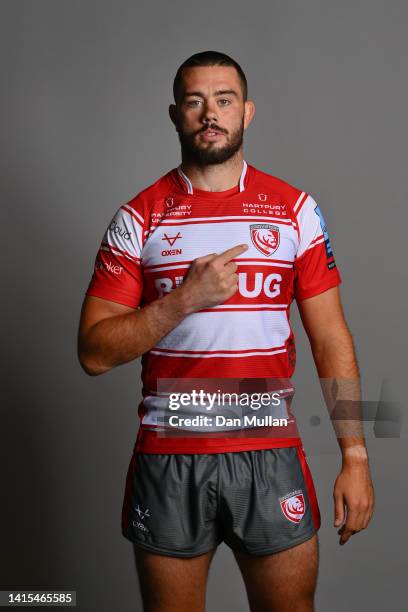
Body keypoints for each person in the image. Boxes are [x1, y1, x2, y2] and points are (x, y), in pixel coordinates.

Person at [77, 50, 375, 612]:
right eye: (194, 101)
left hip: (270, 451)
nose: (209, 113)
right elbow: (92, 353)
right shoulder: (138, 217)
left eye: (223, 100)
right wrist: (183, 301)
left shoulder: (295, 210)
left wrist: (356, 456)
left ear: (247, 112)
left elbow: (332, 338)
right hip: (169, 459)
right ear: (174, 114)